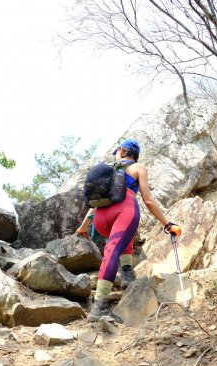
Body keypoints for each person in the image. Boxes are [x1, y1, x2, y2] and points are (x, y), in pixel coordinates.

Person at [76, 138, 182, 323]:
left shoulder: (109, 172)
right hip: (124, 209)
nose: (116, 154)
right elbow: (148, 200)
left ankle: (126, 274)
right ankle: (100, 305)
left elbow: (94, 207)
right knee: (118, 242)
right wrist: (167, 224)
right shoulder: (138, 168)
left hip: (101, 218)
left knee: (117, 243)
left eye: (117, 151)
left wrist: (83, 227)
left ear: (123, 151)